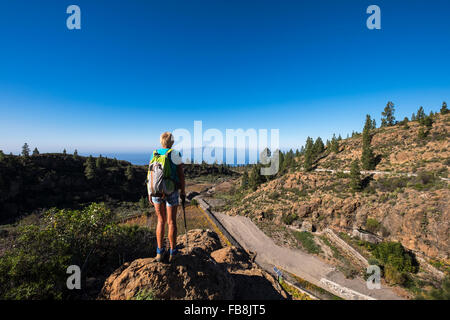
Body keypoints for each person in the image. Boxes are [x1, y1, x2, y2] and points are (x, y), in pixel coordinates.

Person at [149, 132, 185, 262]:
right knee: (171, 222)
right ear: (172, 142)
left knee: (160, 221)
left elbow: (150, 174)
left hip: (156, 190)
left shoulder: (154, 153)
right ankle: (173, 252)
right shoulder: (175, 154)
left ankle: (159, 252)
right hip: (171, 190)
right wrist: (183, 191)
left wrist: (149, 192)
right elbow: (181, 174)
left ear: (161, 141)